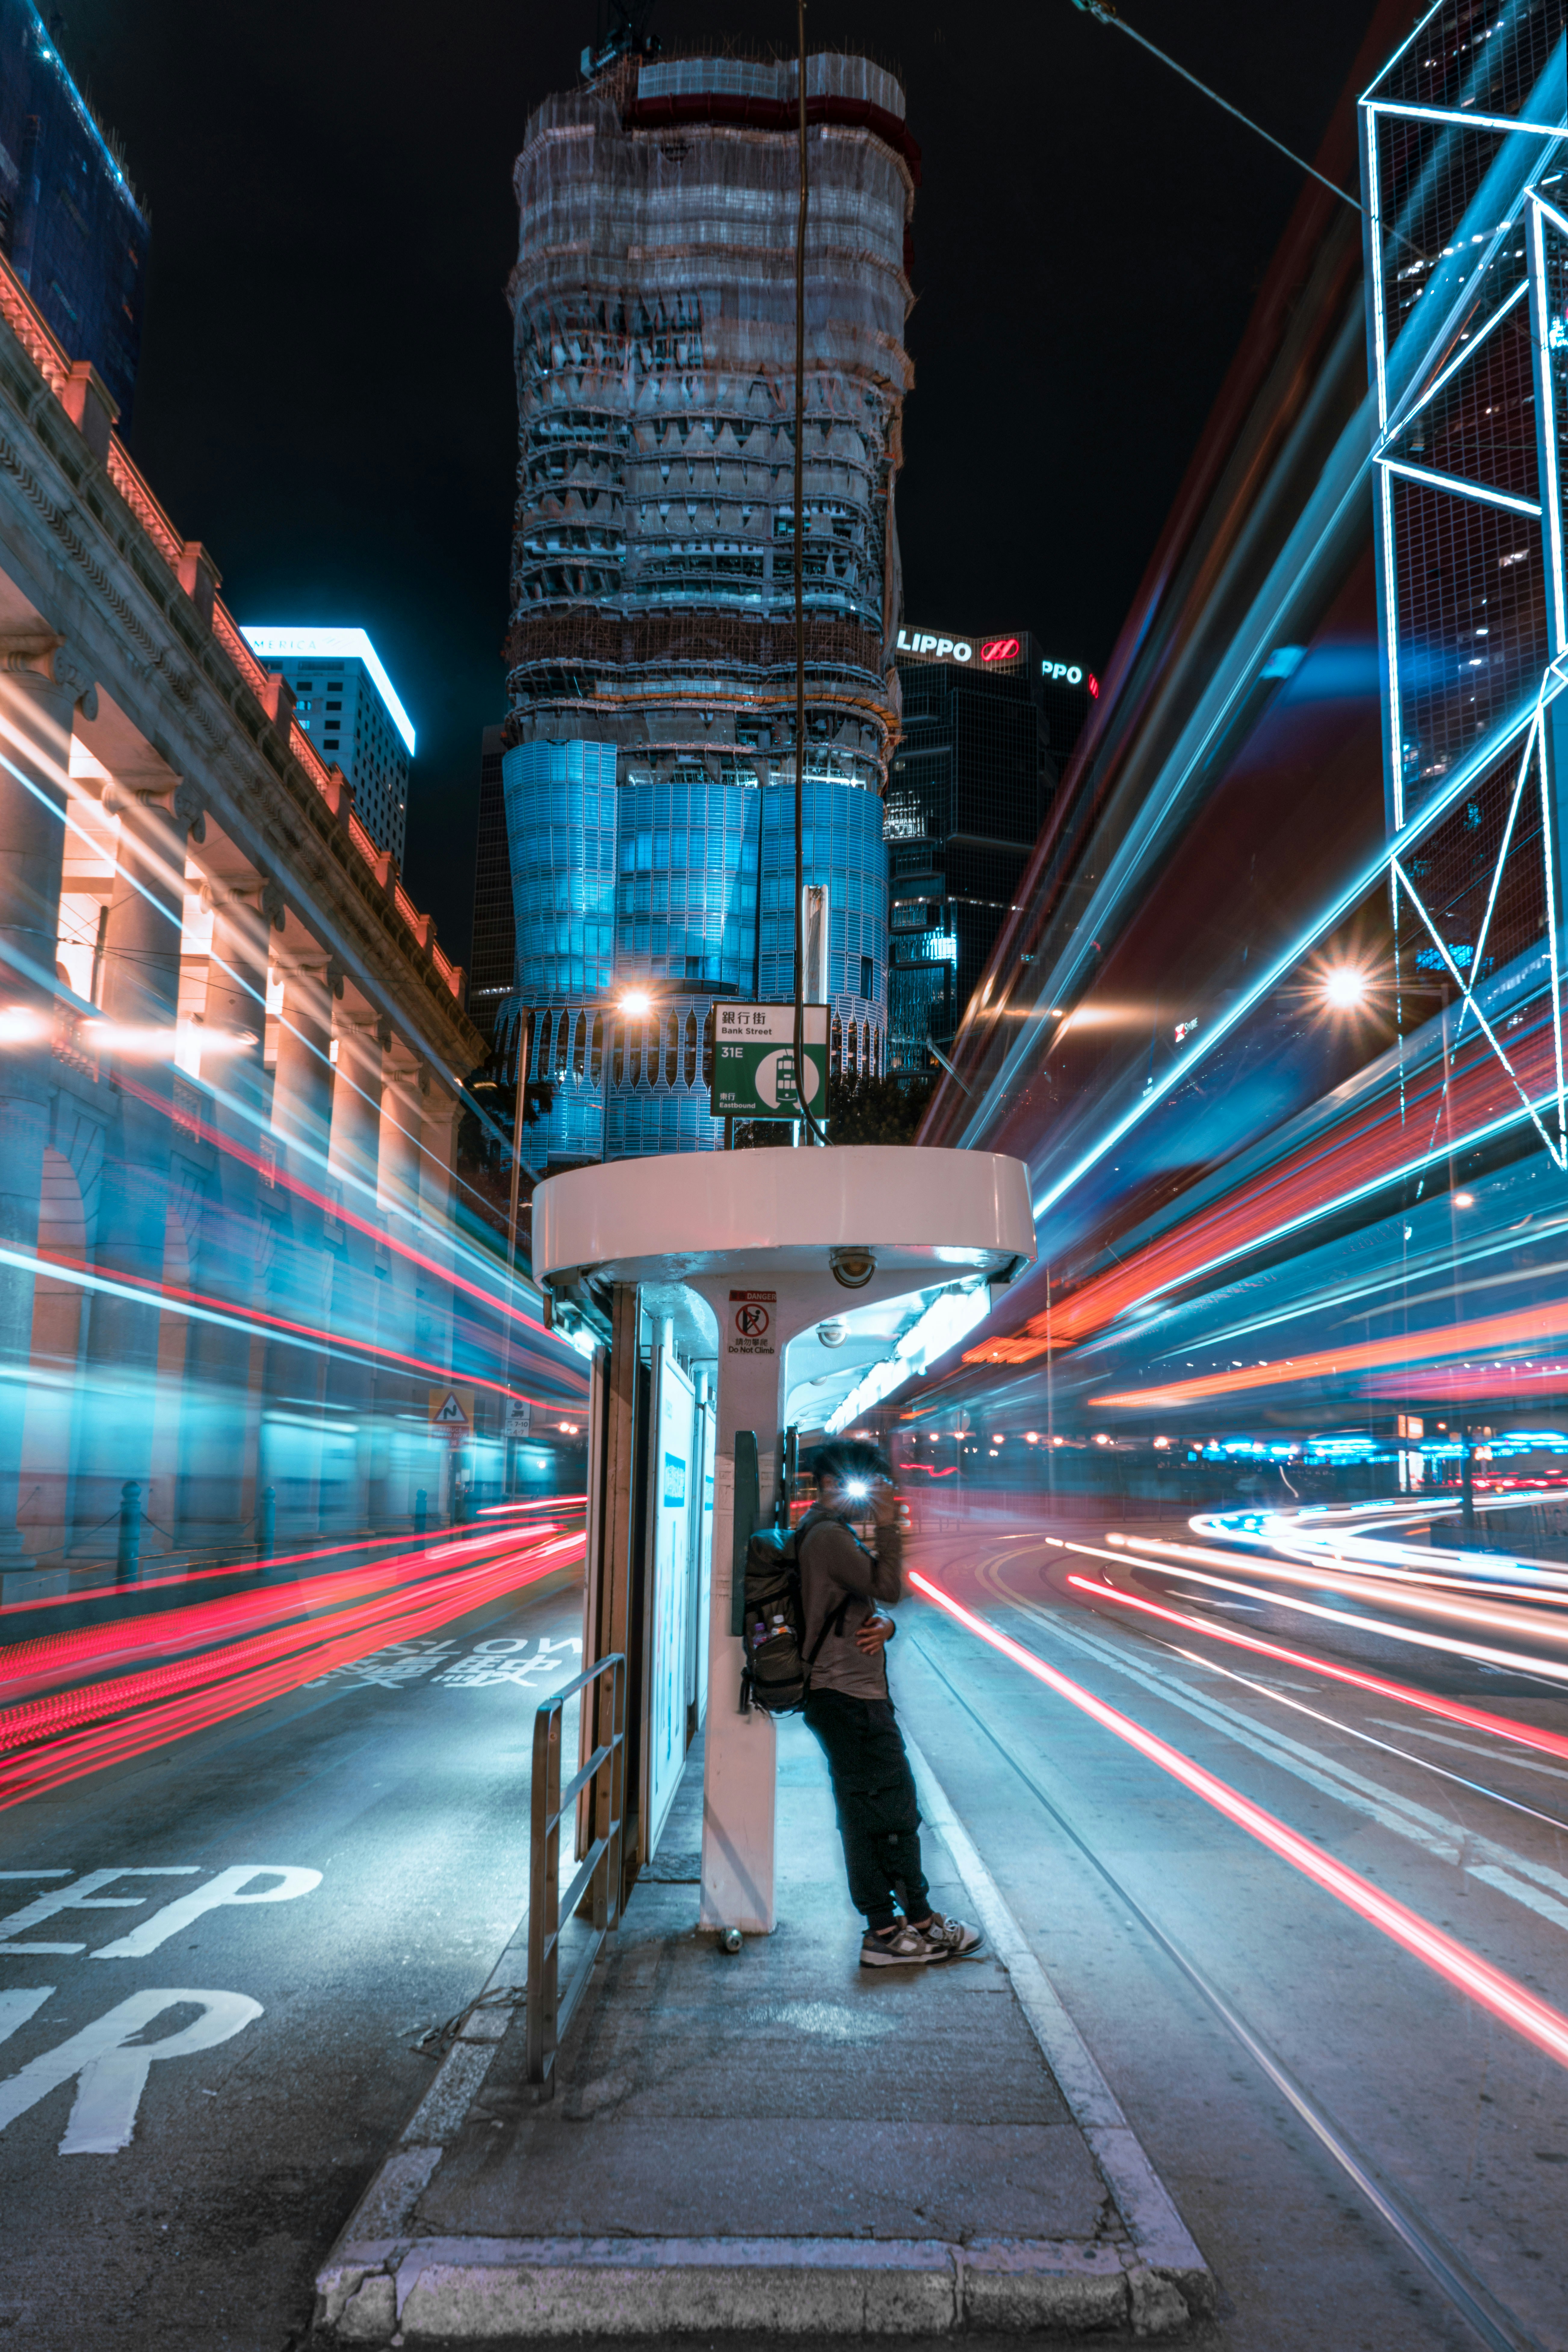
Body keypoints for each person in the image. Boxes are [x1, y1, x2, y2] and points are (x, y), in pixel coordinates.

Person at [796, 1436, 983, 1968]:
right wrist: (890, 1523)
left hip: (848, 1693)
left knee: (873, 1810)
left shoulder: (828, 1534)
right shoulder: (829, 1537)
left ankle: (903, 1921)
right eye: (863, 1481)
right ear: (832, 1484)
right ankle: (891, 1926)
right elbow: (888, 1584)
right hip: (849, 1697)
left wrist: (888, 1625)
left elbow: (867, 1605)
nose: (869, 1492)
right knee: (887, 1809)